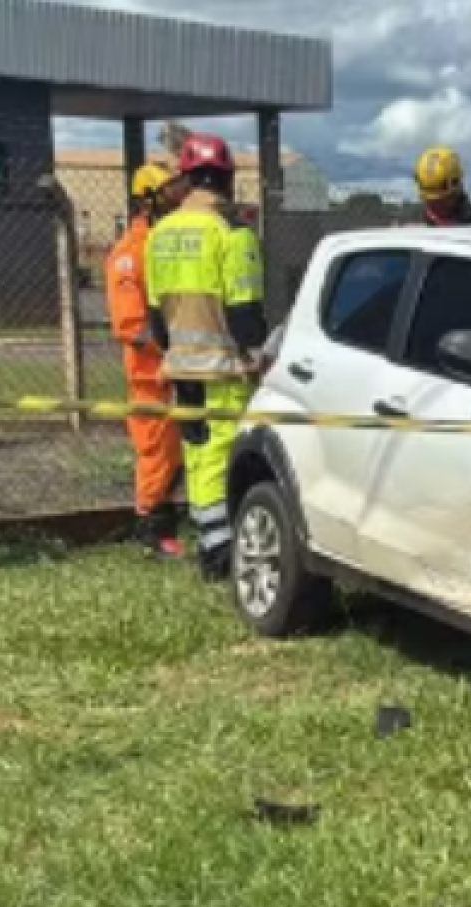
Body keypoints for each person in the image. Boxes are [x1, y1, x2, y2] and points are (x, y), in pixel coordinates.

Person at [145, 133, 270, 582]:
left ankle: (210, 545)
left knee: (198, 460)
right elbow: (244, 314)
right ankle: (222, 554)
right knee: (227, 457)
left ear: (187, 178)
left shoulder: (160, 234)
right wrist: (260, 358)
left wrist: (177, 352)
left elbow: (155, 316)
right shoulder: (232, 235)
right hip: (223, 369)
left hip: (180, 367)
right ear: (226, 179)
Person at [105, 162, 189, 559]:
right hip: (151, 376)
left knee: (179, 451)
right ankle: (151, 528)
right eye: (171, 193)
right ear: (149, 199)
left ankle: (167, 518)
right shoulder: (129, 253)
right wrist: (169, 348)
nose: (179, 200)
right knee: (156, 452)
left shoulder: (165, 244)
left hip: (176, 367)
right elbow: (131, 325)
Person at [414, 146, 471, 226]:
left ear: (458, 186)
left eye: (442, 200)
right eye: (430, 201)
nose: (436, 207)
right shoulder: (413, 226)